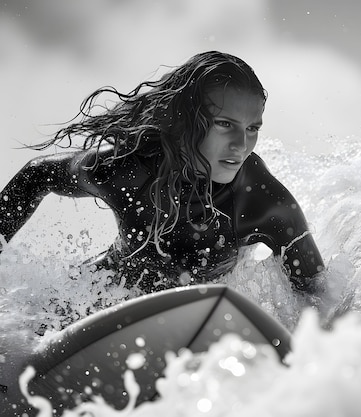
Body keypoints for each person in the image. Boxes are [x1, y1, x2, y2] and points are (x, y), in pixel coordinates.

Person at [0, 51, 324, 294]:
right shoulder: (130, 171)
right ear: (185, 120)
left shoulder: (263, 204)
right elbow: (36, 175)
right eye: (225, 125)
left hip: (203, 325)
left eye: (252, 128)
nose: (242, 144)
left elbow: (317, 295)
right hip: (97, 298)